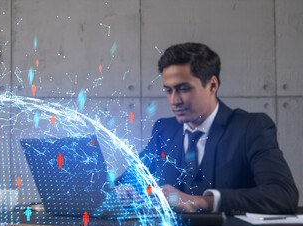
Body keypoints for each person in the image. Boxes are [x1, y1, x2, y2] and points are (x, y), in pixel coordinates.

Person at [116, 42, 298, 215]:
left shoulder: (251, 128)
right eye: (169, 90)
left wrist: (202, 202)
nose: (174, 100)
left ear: (212, 85)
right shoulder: (164, 130)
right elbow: (125, 181)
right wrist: (122, 190)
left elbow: (283, 195)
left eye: (184, 89)